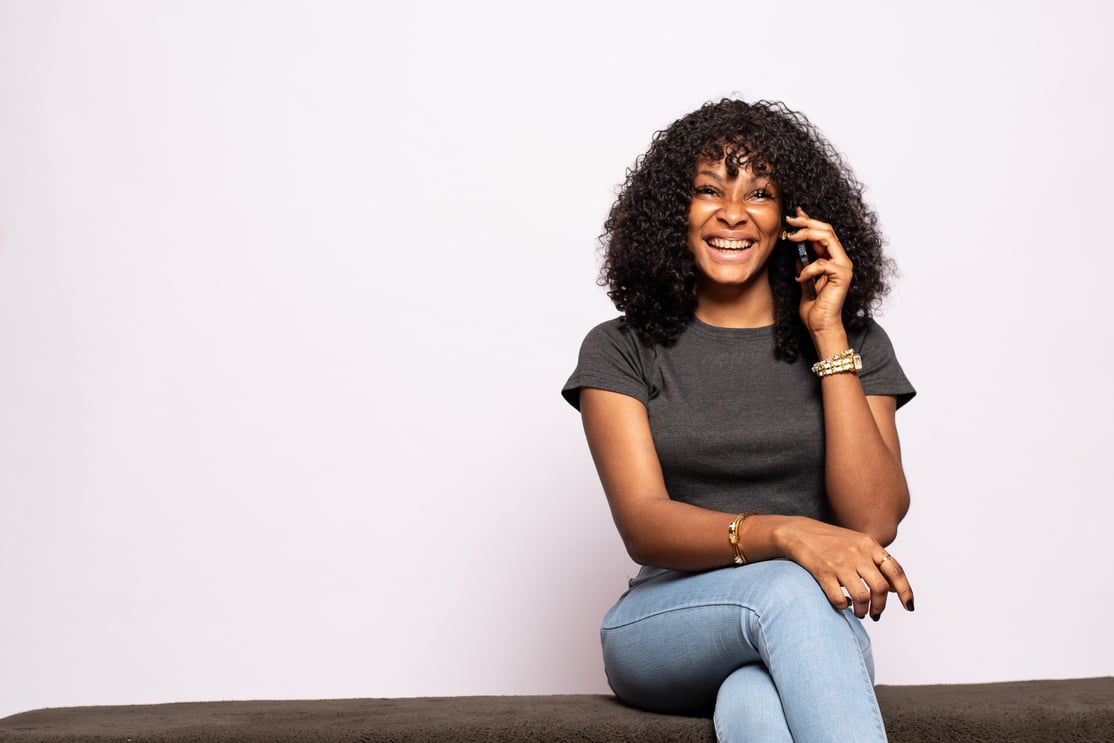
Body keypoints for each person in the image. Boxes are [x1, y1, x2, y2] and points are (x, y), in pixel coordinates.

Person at [561, 98, 916, 743]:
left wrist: (829, 333)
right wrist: (785, 535)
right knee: (786, 586)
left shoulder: (855, 339)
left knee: (753, 702)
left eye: (760, 192)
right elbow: (643, 523)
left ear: (790, 218)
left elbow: (872, 522)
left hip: (809, 625)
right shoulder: (621, 347)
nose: (733, 212)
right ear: (678, 211)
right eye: (708, 190)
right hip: (666, 620)